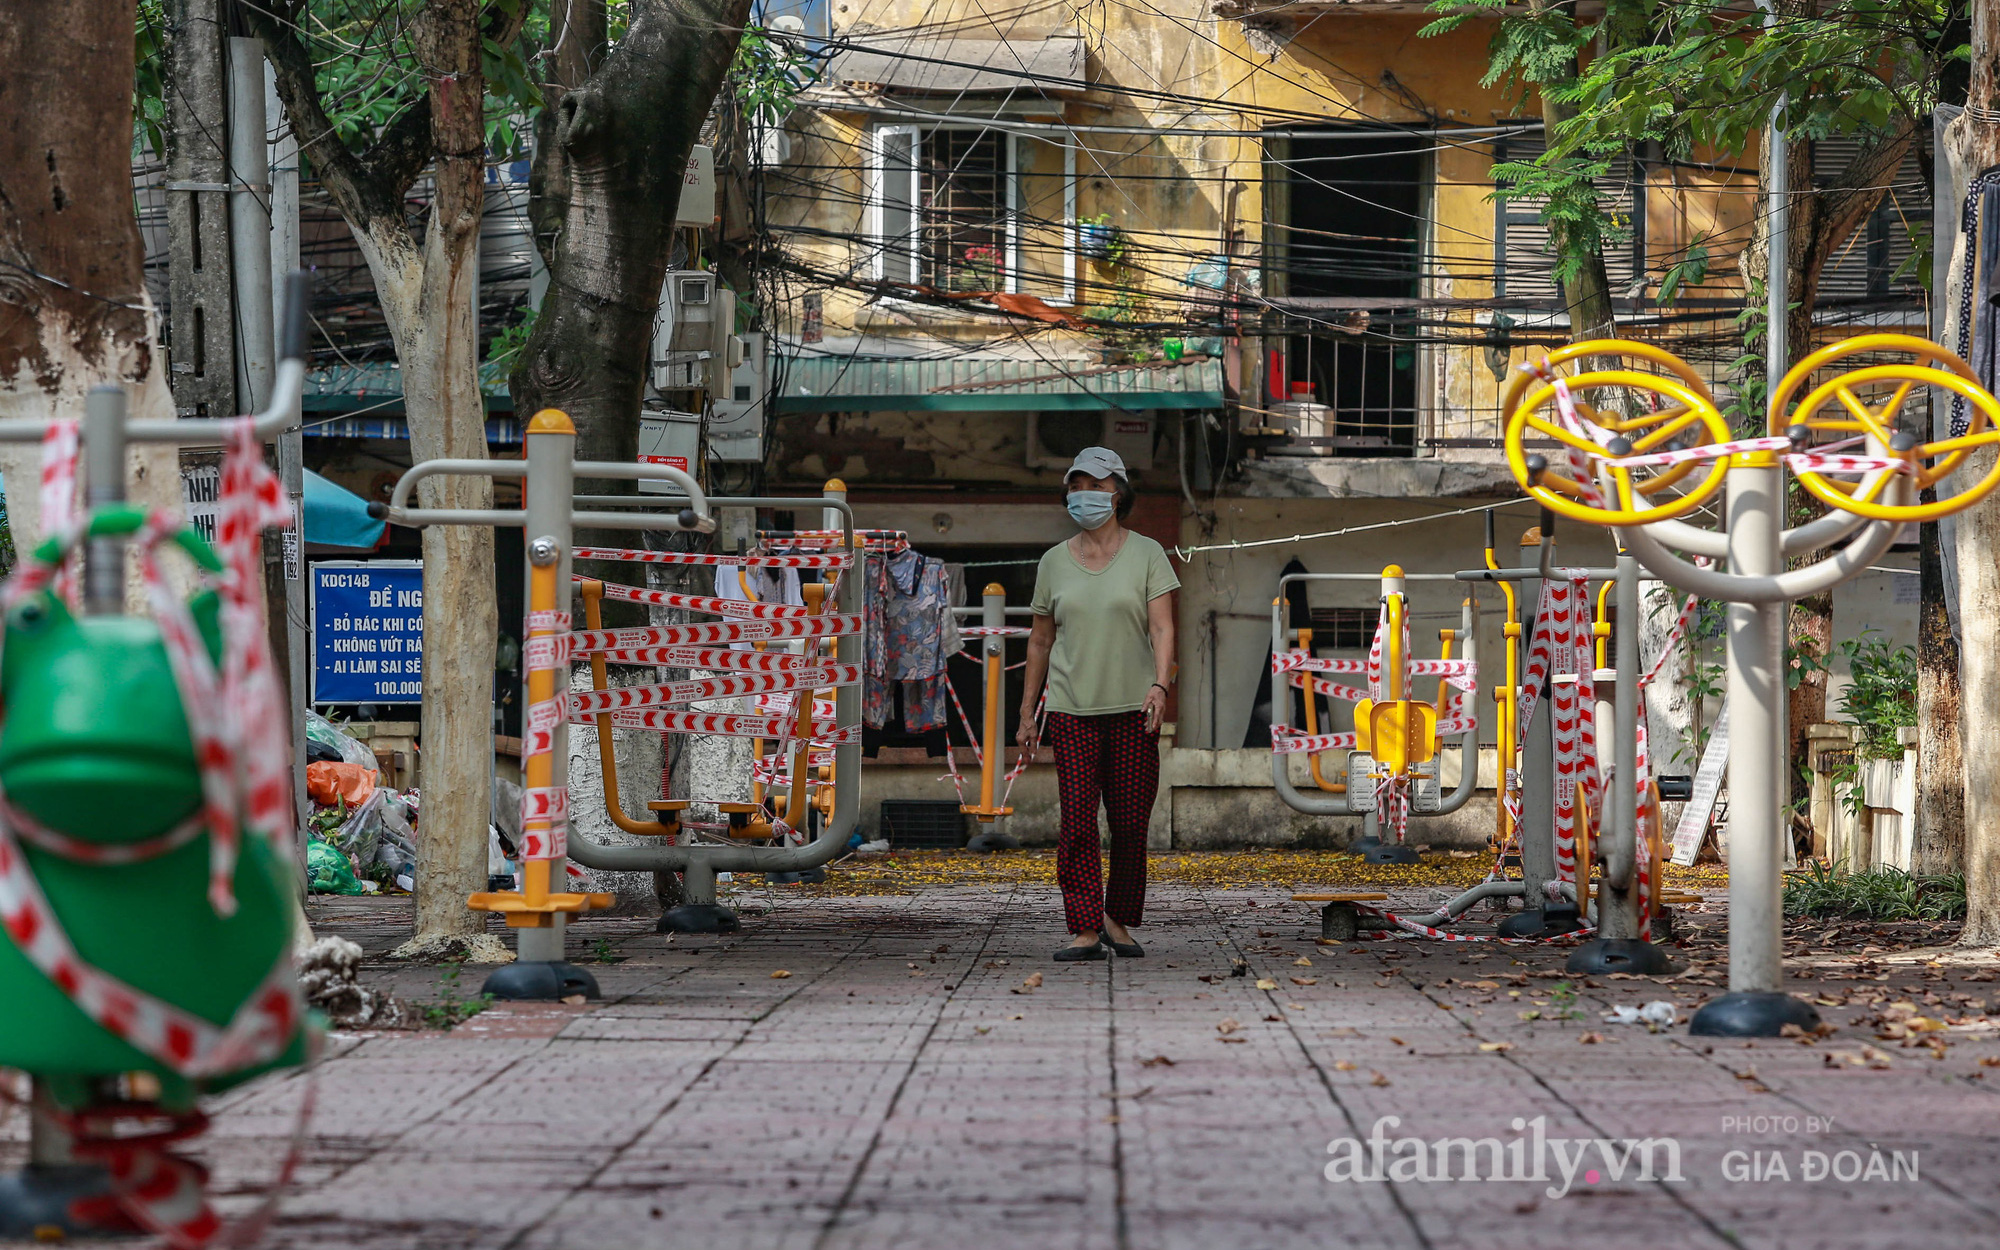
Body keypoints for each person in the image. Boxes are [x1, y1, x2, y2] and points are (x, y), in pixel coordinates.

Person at [1019, 447, 1178, 961]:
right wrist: (1027, 712)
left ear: (1118, 493)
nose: (1084, 494)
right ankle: (1085, 926)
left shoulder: (1148, 553)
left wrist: (1160, 686)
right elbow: (1040, 641)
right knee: (1078, 823)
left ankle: (1117, 917)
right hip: (1070, 710)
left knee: (1131, 821)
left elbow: (1162, 626)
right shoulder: (1052, 563)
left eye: (1096, 484)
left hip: (1135, 710)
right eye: (1076, 485)